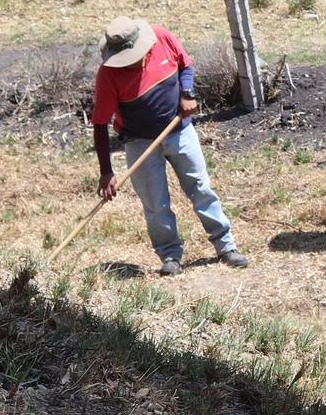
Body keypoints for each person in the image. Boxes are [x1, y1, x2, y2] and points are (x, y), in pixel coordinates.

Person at [91, 16, 250, 275]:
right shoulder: (109, 75)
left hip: (180, 132)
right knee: (156, 203)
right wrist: (106, 171)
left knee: (201, 188)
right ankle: (170, 255)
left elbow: (185, 66)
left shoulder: (162, 38)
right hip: (140, 142)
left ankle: (226, 246)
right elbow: (100, 124)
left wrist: (187, 94)